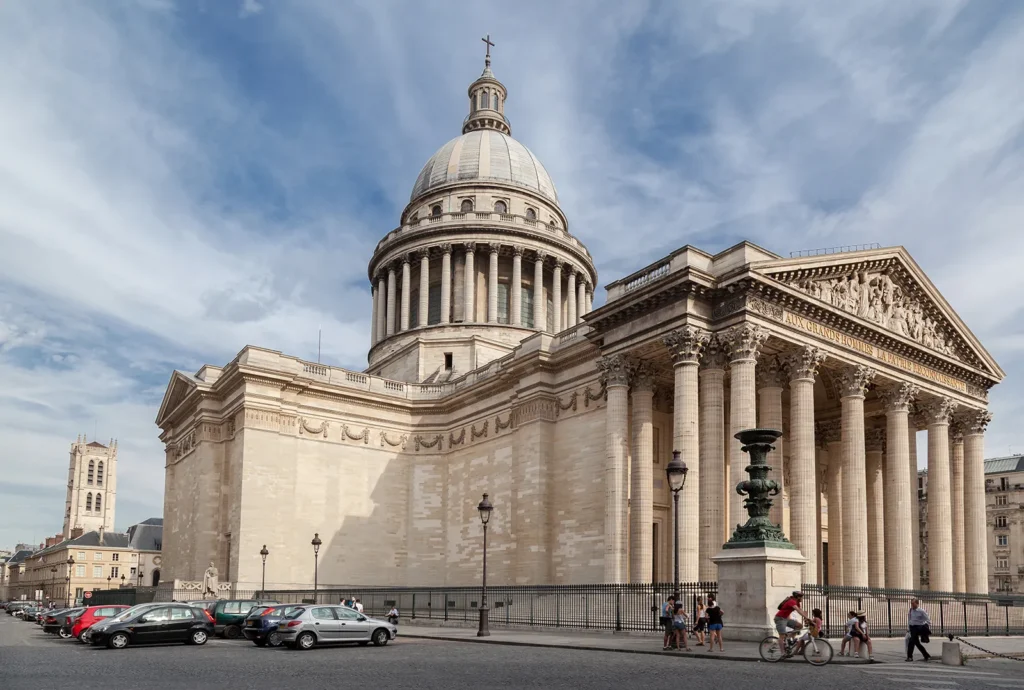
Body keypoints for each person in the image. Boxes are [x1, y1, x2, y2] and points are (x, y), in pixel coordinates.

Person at [774, 591, 809, 658]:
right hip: (780, 618)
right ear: (798, 597)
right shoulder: (791, 601)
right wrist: (806, 617)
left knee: (799, 626)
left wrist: (807, 619)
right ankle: (782, 653)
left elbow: (800, 610)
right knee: (782, 635)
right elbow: (798, 610)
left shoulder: (797, 602)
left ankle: (788, 638)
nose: (802, 598)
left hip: (786, 619)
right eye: (801, 597)